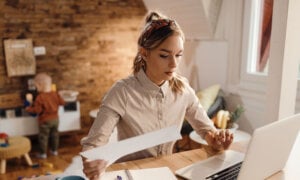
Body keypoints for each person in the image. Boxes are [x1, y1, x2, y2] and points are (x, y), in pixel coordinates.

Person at [81, 11, 234, 180]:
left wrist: (217, 141)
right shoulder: (121, 92)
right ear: (144, 53)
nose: (174, 64)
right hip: (131, 174)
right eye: (164, 55)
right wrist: (92, 160)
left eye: (179, 55)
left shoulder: (183, 90)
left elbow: (207, 132)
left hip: (169, 172)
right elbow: (93, 146)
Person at [26, 73, 65, 159]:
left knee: (43, 137)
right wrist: (61, 96)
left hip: (45, 121)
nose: (36, 88)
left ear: (40, 85)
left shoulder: (40, 97)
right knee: (55, 135)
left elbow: (37, 110)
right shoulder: (55, 94)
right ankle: (54, 151)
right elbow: (62, 103)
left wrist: (28, 108)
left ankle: (43, 153)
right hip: (55, 120)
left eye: (36, 86)